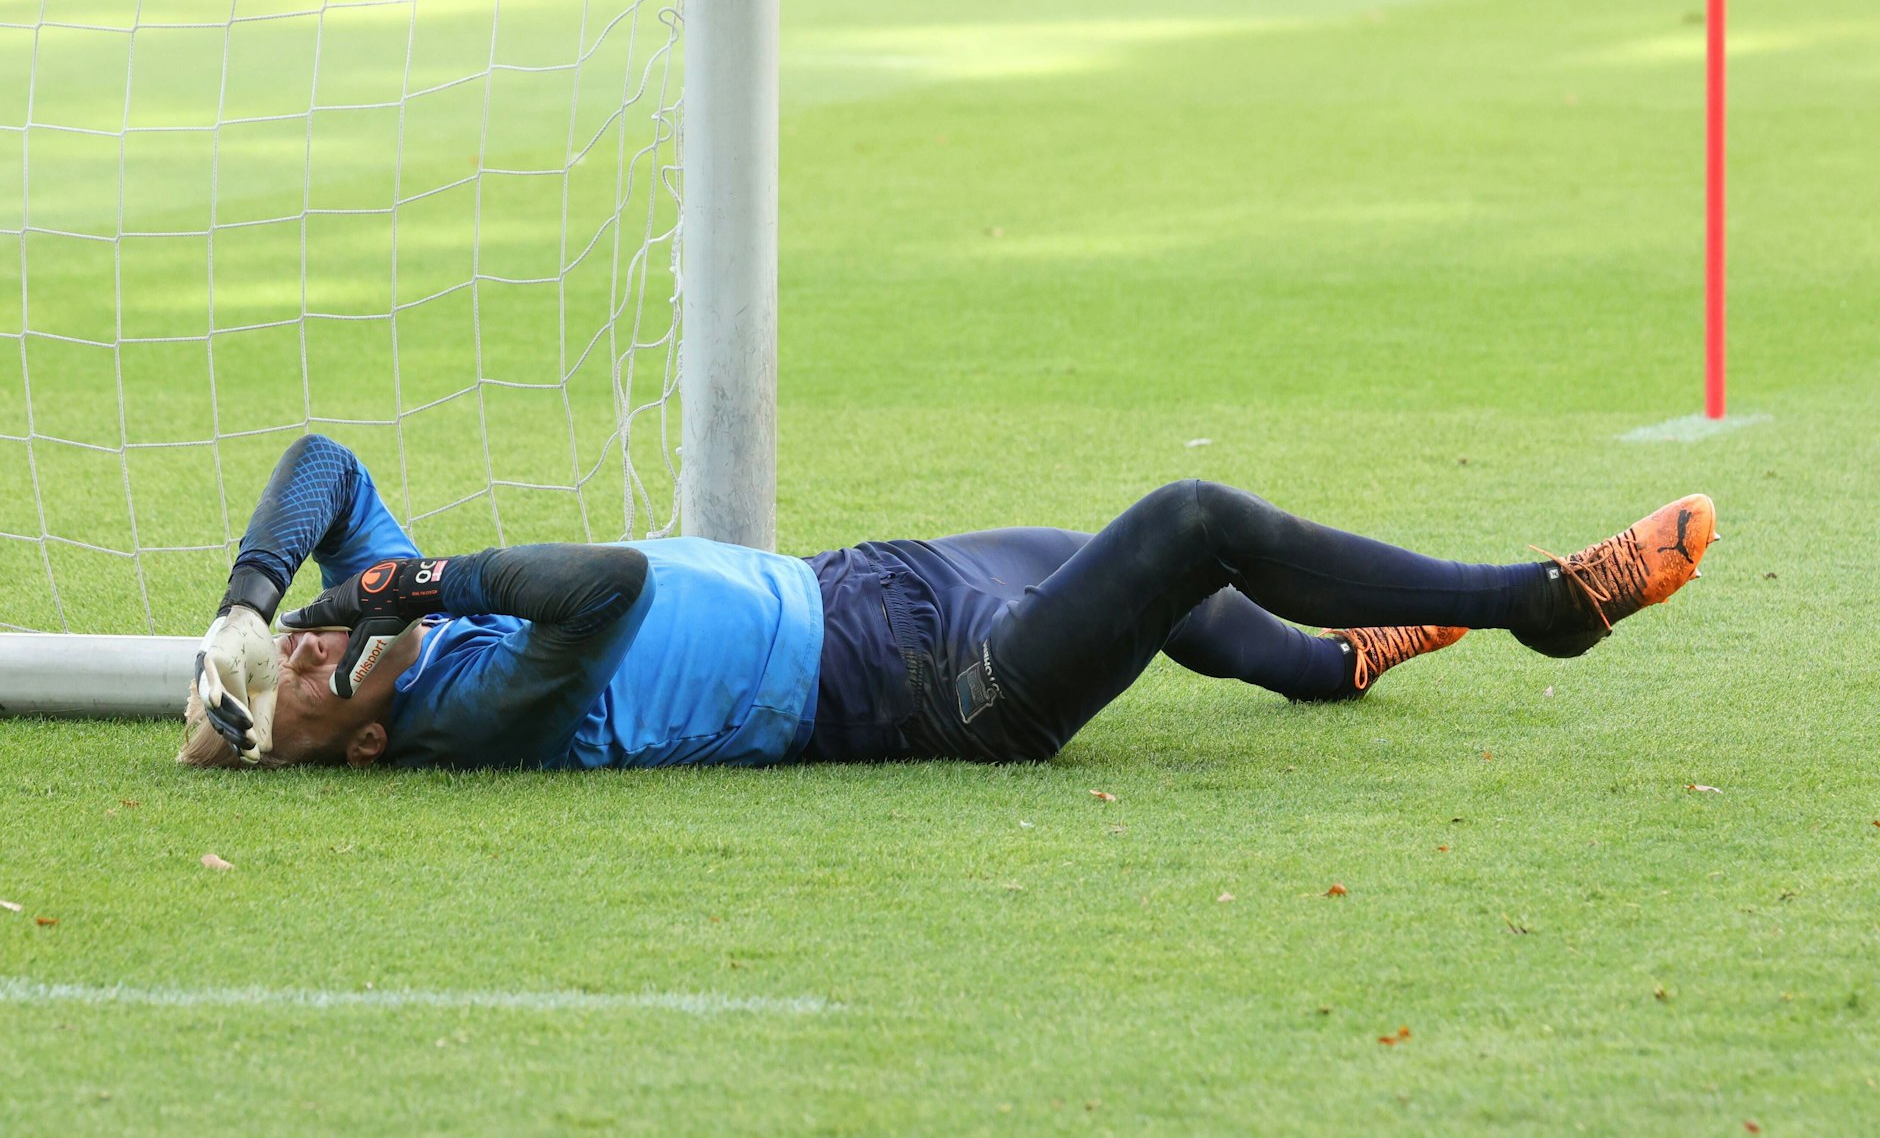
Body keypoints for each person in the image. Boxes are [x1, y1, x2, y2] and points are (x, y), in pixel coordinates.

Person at [181, 435, 1717, 771]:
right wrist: (414, 581)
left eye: (293, 645)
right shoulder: (461, 709)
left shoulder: (369, 633)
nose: (311, 649)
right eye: (294, 682)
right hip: (937, 690)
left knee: (1122, 560)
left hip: (874, 586)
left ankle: (1329, 669)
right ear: (357, 742)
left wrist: (255, 600)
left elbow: (325, 462)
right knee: (1184, 525)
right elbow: (616, 585)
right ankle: (1538, 601)